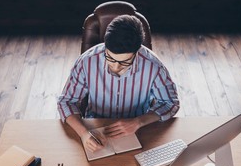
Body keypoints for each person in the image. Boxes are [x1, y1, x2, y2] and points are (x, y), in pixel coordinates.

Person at [57, 14, 179, 152]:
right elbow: (66, 102)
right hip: (95, 128)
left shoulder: (154, 66)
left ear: (137, 51)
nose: (115, 67)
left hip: (137, 130)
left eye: (124, 62)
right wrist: (84, 133)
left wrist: (139, 121)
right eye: (110, 58)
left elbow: (171, 103)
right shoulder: (86, 61)